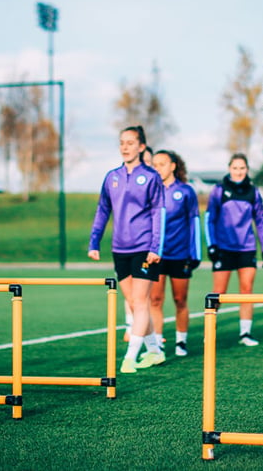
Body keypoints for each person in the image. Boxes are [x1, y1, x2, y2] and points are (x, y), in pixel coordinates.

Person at [88, 126, 166, 373]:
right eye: (122, 142)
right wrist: (94, 241)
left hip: (145, 248)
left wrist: (156, 246)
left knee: (141, 302)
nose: (125, 147)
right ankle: (155, 351)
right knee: (133, 302)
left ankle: (130, 357)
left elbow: (158, 213)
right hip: (119, 248)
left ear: (141, 147)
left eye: (130, 143)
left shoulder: (151, 177)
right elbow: (103, 210)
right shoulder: (112, 176)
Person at [205, 153, 263, 346]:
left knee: (246, 291)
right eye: (235, 168)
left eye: (242, 168)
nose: (239, 172)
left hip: (246, 248)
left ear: (247, 170)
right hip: (223, 248)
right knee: (218, 292)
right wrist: (211, 245)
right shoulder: (218, 190)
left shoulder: (253, 192)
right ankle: (210, 333)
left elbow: (260, 221)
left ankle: (245, 333)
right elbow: (209, 218)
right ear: (229, 169)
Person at [150, 150, 200, 357]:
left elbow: (194, 222)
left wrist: (194, 254)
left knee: (180, 300)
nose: (157, 168)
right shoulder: (150, 191)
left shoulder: (186, 191)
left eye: (162, 164)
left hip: (180, 255)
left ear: (172, 166)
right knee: (155, 300)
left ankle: (181, 341)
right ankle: (158, 343)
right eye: (154, 164)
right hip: (156, 255)